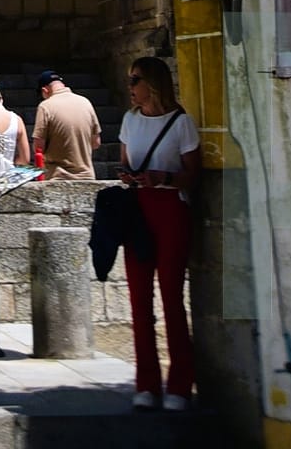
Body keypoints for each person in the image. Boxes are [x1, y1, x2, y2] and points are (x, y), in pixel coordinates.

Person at [121, 54, 201, 410]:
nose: (130, 88)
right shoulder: (129, 120)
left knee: (171, 297)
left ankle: (180, 385)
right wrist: (130, 175)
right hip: (137, 209)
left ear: (152, 84)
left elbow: (192, 174)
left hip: (170, 208)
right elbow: (125, 162)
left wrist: (163, 178)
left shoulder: (182, 123)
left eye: (134, 80)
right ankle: (146, 384)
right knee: (139, 301)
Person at [31, 66, 102, 180]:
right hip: (86, 176)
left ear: (45, 90)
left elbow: (39, 147)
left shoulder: (45, 106)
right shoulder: (85, 102)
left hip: (57, 178)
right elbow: (96, 142)